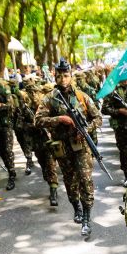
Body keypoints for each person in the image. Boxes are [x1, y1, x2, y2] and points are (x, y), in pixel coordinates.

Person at [35, 58, 102, 237]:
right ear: (55, 77)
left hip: (81, 146)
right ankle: (77, 208)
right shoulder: (49, 99)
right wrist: (59, 120)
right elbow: (38, 120)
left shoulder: (82, 96)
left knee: (86, 181)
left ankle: (87, 216)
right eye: (59, 76)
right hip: (63, 149)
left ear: (70, 76)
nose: (63, 79)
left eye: (66, 75)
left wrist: (86, 129)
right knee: (70, 182)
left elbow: (97, 118)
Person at [20, 79, 58, 205]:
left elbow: (55, 118)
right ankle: (50, 181)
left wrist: (48, 124)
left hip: (49, 138)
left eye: (35, 92)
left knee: (50, 164)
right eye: (30, 92)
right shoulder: (24, 108)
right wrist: (32, 125)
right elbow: (20, 124)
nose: (33, 94)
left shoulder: (46, 104)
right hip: (36, 140)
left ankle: (53, 191)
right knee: (43, 165)